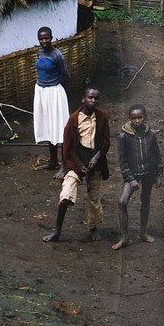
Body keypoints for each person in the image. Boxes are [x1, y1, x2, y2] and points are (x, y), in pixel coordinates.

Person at [45, 87, 110, 243]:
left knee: (93, 198)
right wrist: (78, 164)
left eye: (96, 98)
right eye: (90, 98)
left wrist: (97, 157)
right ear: (83, 99)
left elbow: (106, 142)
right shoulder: (74, 119)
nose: (93, 101)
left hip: (95, 162)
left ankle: (93, 228)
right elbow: (67, 148)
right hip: (76, 162)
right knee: (66, 194)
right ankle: (57, 231)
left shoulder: (101, 117)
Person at [112, 103, 163, 250]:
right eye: (134, 118)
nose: (137, 121)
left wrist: (158, 174)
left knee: (145, 200)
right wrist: (131, 179)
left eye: (140, 117)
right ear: (129, 119)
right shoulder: (124, 136)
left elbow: (156, 154)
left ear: (145, 117)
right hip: (132, 173)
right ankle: (124, 237)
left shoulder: (151, 134)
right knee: (122, 201)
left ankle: (143, 232)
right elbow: (123, 161)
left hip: (148, 172)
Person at [33, 27, 72, 172]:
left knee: (59, 127)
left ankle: (64, 164)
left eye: (46, 38)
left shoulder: (57, 55)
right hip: (41, 92)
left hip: (54, 93)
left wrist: (55, 87)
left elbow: (66, 76)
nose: (44, 41)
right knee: (48, 126)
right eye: (41, 38)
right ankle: (53, 161)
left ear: (51, 37)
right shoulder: (40, 52)